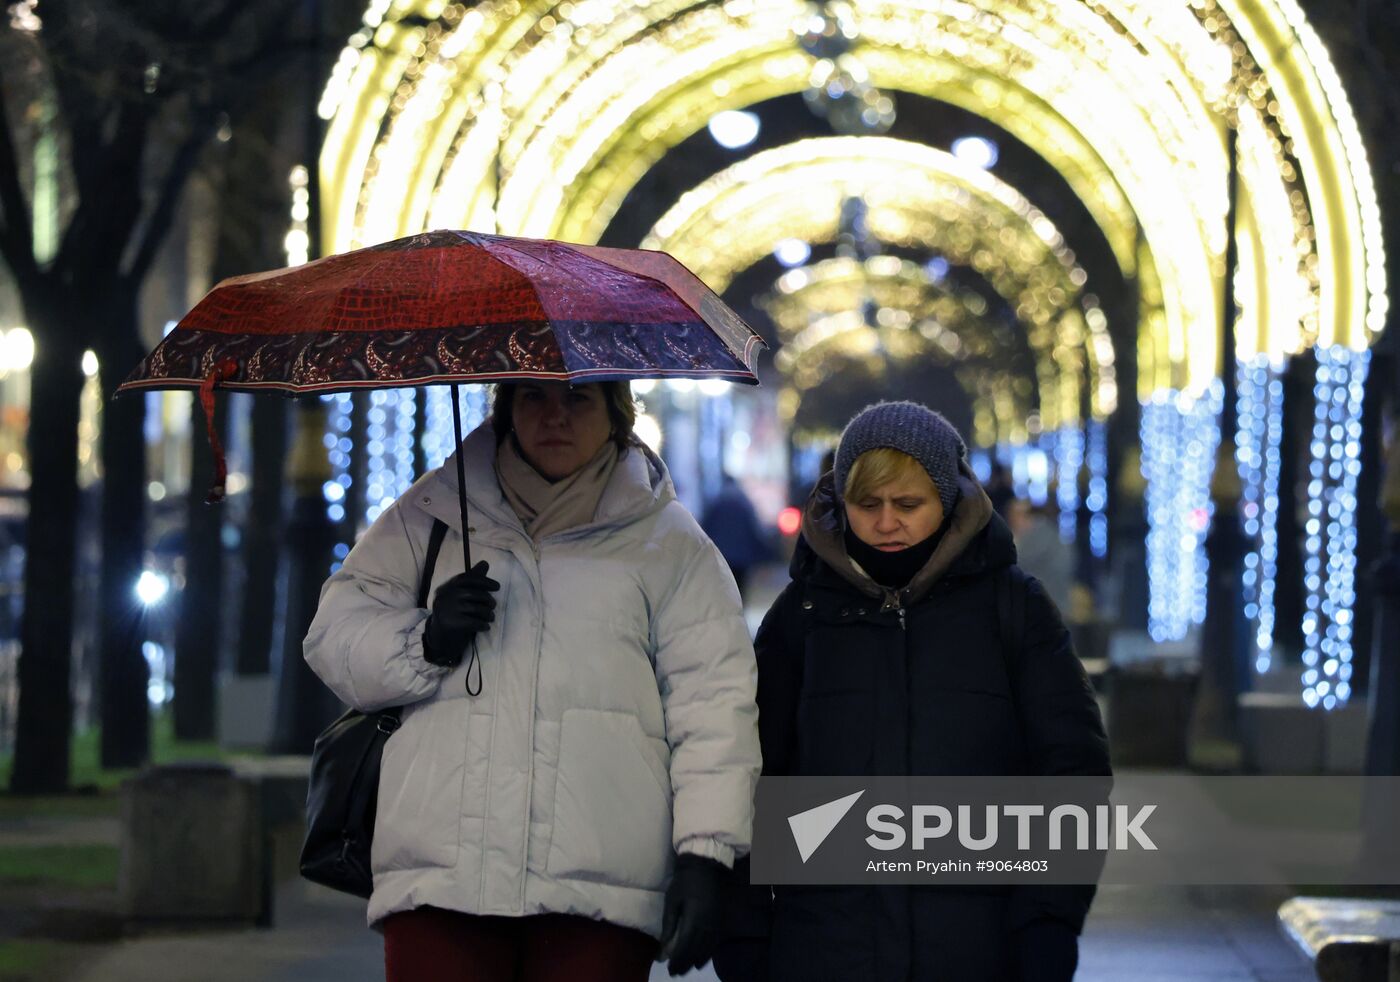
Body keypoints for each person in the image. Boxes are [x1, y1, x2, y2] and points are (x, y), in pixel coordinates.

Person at [304, 380, 761, 982]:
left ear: (616, 414)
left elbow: (714, 706)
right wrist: (425, 640)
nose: (555, 417)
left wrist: (706, 855)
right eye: (534, 399)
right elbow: (333, 635)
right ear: (508, 410)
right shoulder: (432, 515)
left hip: (598, 890)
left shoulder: (670, 545)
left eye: (578, 400)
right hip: (440, 880)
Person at [714, 401, 1110, 982]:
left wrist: (1048, 920)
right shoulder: (803, 616)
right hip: (825, 949)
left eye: (907, 505)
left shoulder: (1013, 608)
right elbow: (746, 776)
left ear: (945, 501)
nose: (885, 523)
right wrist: (743, 931)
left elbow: (1072, 770)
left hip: (979, 949)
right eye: (866, 504)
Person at [701, 473, 772, 595]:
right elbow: (754, 531)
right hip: (742, 558)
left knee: (724, 592)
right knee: (739, 592)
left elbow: (705, 530)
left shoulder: (716, 503)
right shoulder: (744, 503)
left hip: (721, 556)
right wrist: (764, 556)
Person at [1007, 498, 1077, 617]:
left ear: (1029, 516)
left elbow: (1013, 564)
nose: (1012, 521)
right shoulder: (1051, 535)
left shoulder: (1039, 536)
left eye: (1017, 515)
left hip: (1044, 608)